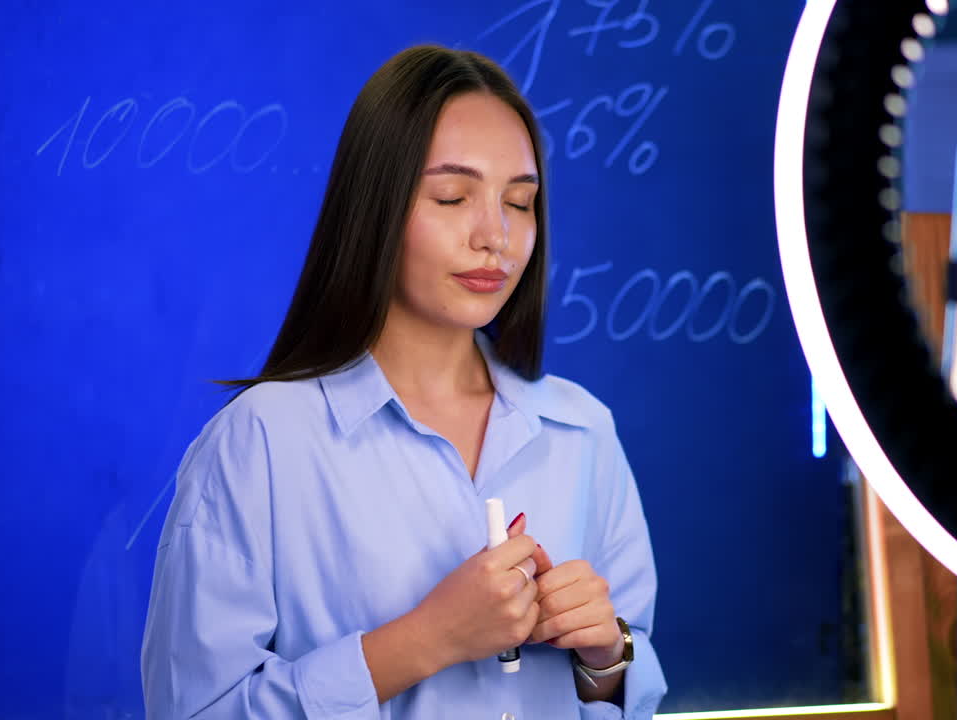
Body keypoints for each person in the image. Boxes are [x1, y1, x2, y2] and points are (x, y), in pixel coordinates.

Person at [140, 45, 666, 719]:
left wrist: (605, 657)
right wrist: (427, 639)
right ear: (376, 206)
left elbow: (634, 689)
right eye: (453, 196)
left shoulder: (582, 432)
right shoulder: (263, 443)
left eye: (520, 202)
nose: (496, 235)